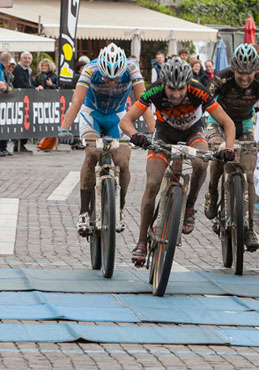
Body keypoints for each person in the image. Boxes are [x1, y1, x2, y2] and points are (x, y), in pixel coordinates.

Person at [119, 57, 236, 266]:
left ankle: (190, 205)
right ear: (163, 84)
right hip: (164, 134)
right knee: (153, 183)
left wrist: (228, 147)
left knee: (201, 162)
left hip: (193, 132)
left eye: (180, 89)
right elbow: (125, 121)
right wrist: (136, 135)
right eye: (171, 89)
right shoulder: (153, 91)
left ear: (187, 84)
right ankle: (141, 242)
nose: (176, 94)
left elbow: (227, 122)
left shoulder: (198, 90)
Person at [57, 43, 155, 236]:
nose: (111, 83)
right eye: (107, 79)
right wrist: (64, 129)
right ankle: (84, 212)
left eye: (116, 79)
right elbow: (76, 102)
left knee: (123, 162)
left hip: (117, 116)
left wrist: (153, 131)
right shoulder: (90, 69)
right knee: (93, 153)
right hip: (92, 114)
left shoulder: (132, 69)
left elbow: (142, 102)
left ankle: (120, 207)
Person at [204, 44, 259, 249]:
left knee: (248, 173)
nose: (244, 78)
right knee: (219, 153)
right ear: (234, 69)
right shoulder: (222, 78)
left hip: (244, 124)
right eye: (240, 73)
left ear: (255, 70)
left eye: (249, 73)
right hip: (219, 122)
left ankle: (249, 228)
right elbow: (202, 102)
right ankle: (213, 192)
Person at [13, 51, 43, 153]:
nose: (27, 60)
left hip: (27, 99)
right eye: (25, 58)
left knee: (27, 122)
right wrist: (34, 88)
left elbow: (31, 82)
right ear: (21, 59)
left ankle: (22, 144)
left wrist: (38, 85)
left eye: (29, 58)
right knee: (21, 122)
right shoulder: (18, 69)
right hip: (20, 99)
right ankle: (18, 144)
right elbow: (20, 83)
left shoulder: (28, 70)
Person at [0, 52, 12, 157]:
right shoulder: (1, 69)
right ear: (8, 60)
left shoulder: (4, 71)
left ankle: (3, 147)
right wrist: (7, 88)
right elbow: (2, 86)